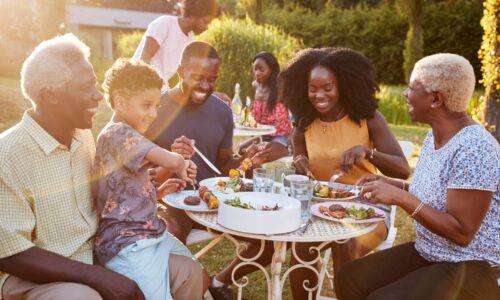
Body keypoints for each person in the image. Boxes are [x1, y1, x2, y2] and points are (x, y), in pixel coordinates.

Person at [337, 53, 500, 300]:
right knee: (350, 277)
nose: (404, 93)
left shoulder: (474, 148)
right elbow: (438, 193)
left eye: (412, 87)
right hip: (431, 252)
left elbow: (462, 232)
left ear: (436, 99)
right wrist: (393, 184)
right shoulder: (434, 135)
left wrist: (401, 198)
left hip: (473, 265)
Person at [0, 34, 144, 299]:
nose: (98, 96)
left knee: (185, 272)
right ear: (51, 95)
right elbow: (11, 253)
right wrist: (97, 276)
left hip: (97, 256)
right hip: (35, 279)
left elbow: (103, 195)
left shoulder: (83, 136)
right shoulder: (6, 156)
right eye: (87, 87)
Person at [146, 41, 274, 300]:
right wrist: (170, 158)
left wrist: (245, 162)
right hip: (170, 201)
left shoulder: (222, 111)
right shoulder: (154, 108)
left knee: (268, 240)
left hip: (216, 201)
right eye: (198, 78)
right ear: (180, 71)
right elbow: (138, 168)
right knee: (167, 234)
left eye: (212, 79)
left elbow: (224, 163)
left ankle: (216, 283)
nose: (205, 86)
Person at [280, 47, 410, 298]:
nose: (319, 95)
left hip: (368, 206)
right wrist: (299, 163)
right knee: (301, 248)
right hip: (322, 207)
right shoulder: (304, 123)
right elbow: (300, 159)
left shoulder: (367, 118)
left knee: (345, 244)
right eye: (313, 88)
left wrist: (367, 152)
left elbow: (403, 169)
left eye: (327, 87)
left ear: (343, 85)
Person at [93, 58, 208, 299]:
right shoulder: (118, 133)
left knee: (197, 274)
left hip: (149, 234)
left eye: (156, 105)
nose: (154, 113)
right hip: (128, 245)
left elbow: (126, 190)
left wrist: (160, 192)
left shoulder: (128, 135)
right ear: (120, 102)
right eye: (146, 105)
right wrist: (181, 163)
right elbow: (169, 160)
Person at [133, 0, 218, 90]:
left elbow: (184, 79)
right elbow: (144, 59)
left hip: (159, 90)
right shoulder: (165, 23)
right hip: (139, 83)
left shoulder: (189, 43)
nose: (206, 28)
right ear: (195, 14)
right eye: (205, 21)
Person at [237, 52, 292, 162]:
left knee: (258, 157)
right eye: (255, 69)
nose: (257, 73)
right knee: (241, 150)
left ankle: (286, 150)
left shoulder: (280, 87)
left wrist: (293, 137)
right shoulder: (255, 85)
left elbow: (295, 112)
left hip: (280, 136)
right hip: (262, 135)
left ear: (272, 70)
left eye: (261, 69)